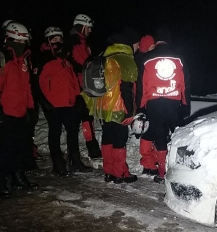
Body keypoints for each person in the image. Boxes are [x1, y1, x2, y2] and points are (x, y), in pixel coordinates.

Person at [0, 21, 39, 198]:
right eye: (19, 42)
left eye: (24, 42)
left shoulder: (25, 60)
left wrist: (31, 108)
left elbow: (28, 86)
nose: (22, 45)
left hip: (21, 111)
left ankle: (18, 176)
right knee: (4, 148)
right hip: (4, 112)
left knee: (21, 146)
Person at [82, 27, 141, 183]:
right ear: (130, 44)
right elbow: (126, 88)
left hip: (102, 106)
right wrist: (129, 111)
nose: (139, 47)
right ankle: (120, 173)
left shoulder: (106, 55)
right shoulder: (125, 59)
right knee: (120, 139)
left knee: (108, 137)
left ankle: (109, 172)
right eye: (137, 44)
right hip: (119, 107)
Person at [135, 27, 191, 183]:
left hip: (154, 103)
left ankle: (162, 172)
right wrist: (186, 105)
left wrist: (141, 108)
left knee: (159, 136)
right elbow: (185, 85)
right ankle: (181, 170)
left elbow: (142, 87)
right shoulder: (179, 58)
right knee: (177, 136)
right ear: (169, 40)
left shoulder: (147, 59)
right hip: (174, 102)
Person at [37, 26, 93, 177]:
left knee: (73, 132)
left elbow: (73, 80)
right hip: (53, 104)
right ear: (48, 41)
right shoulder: (44, 59)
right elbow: (37, 83)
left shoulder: (66, 59)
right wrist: (44, 102)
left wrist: (77, 96)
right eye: (54, 39)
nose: (58, 42)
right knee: (55, 133)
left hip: (69, 103)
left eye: (60, 39)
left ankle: (75, 161)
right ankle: (58, 164)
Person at [67, 14, 102, 159]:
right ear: (82, 26)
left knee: (87, 117)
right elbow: (81, 65)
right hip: (78, 86)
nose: (90, 31)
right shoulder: (74, 43)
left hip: (85, 85)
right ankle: (90, 147)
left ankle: (91, 146)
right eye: (88, 28)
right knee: (83, 117)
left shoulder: (82, 43)